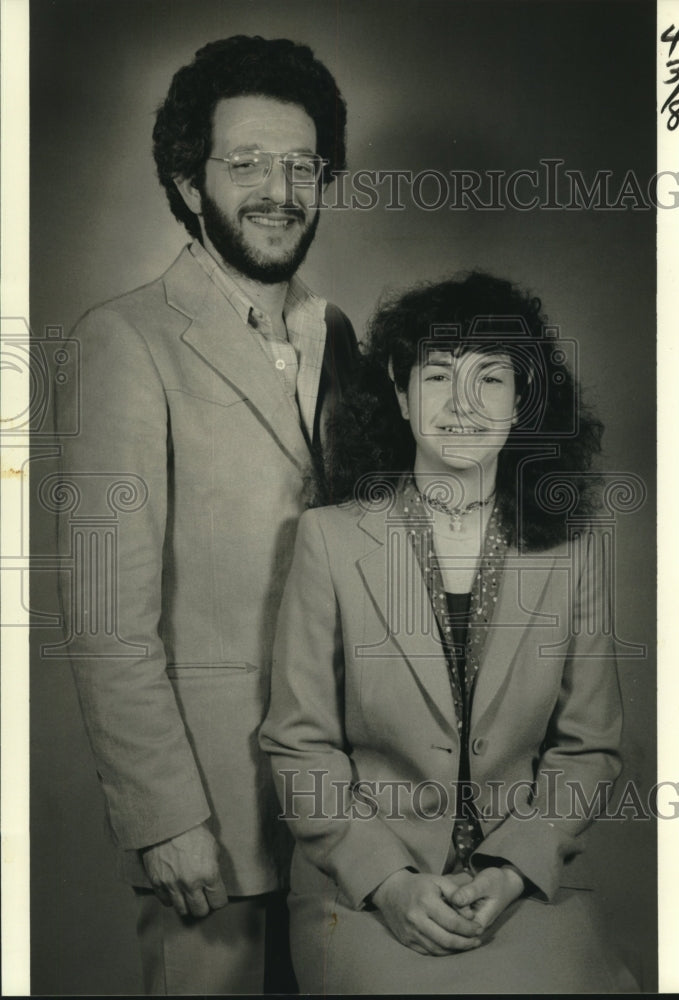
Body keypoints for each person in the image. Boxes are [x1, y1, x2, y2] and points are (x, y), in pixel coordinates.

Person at [55, 34, 356, 995]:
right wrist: (163, 817)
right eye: (249, 162)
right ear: (190, 185)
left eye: (304, 164)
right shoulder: (122, 339)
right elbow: (106, 616)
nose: (282, 187)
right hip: (214, 822)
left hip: (358, 814)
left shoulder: (339, 333)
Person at [260, 271, 639, 993]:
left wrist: (513, 869)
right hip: (364, 890)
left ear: (522, 401)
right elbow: (298, 744)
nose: (463, 405)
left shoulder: (572, 549)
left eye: (490, 379)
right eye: (438, 377)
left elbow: (587, 747)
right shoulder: (329, 541)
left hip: (522, 887)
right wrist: (389, 882)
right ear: (400, 396)